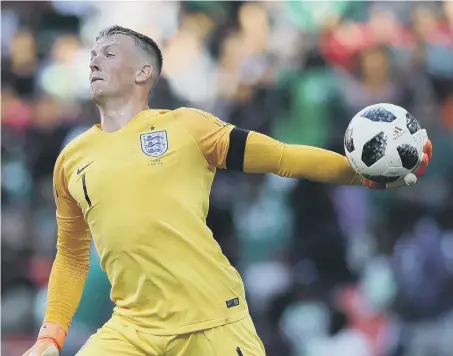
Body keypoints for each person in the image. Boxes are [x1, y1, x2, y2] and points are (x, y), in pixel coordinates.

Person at [22, 25, 432, 356]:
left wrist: (360, 174)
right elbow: (72, 257)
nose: (94, 58)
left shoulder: (188, 127)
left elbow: (282, 157)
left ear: (143, 72)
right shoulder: (71, 159)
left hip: (213, 320)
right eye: (93, 52)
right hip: (133, 329)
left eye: (109, 52)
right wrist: (50, 336)